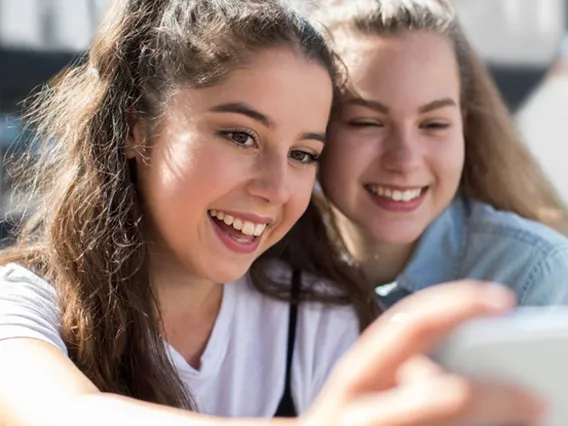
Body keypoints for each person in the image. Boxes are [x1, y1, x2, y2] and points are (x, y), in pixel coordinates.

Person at [0, 1, 546, 425]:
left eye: (303, 154)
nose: (276, 187)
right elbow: (63, 414)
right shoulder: (25, 304)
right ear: (138, 128)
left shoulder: (319, 319)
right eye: (241, 136)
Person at [279, 0, 568, 312]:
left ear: (463, 128)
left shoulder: (535, 275)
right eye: (367, 123)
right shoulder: (267, 262)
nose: (405, 160)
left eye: (434, 124)